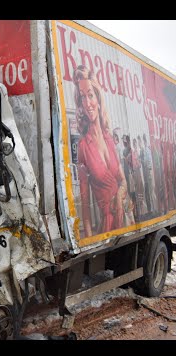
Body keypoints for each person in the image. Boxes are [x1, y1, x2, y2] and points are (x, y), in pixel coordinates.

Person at [73, 65, 133, 237]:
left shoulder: (108, 138)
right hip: (107, 227)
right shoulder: (83, 146)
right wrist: (90, 242)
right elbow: (85, 206)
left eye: (90, 95)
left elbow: (123, 181)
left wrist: (120, 199)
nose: (87, 103)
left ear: (98, 99)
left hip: (125, 220)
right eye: (82, 98)